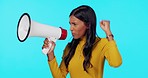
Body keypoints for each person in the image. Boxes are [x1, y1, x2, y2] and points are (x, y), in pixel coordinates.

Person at [42, 5, 122, 78]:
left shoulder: (102, 43)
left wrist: (108, 33)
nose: (71, 28)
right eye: (70, 24)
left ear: (87, 25)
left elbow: (116, 63)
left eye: (74, 24)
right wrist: (50, 54)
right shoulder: (70, 48)